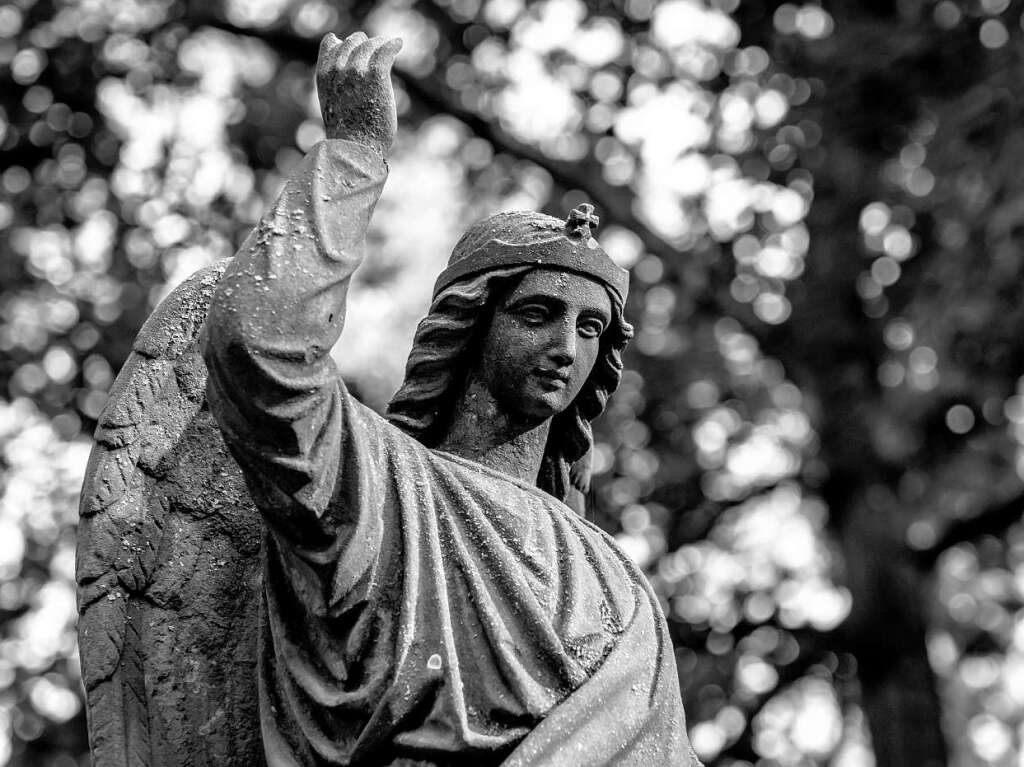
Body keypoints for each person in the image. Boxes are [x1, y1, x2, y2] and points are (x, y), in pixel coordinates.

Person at [200, 31, 699, 766]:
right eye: (538, 314)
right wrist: (353, 152)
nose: (567, 345)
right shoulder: (382, 488)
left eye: (590, 327)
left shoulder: (618, 586)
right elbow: (258, 340)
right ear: (471, 324)